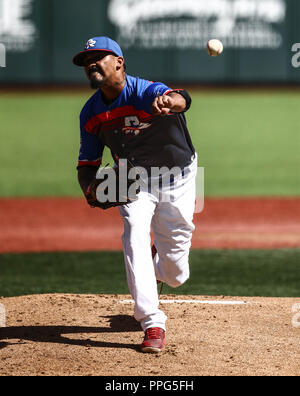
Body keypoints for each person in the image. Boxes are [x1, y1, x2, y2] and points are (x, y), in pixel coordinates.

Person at [73, 36, 197, 353]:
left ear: (119, 62)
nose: (91, 64)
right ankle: (152, 322)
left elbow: (179, 97)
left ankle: (159, 267)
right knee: (134, 233)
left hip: (177, 176)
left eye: (99, 57)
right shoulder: (91, 115)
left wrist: (172, 103)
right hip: (133, 179)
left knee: (177, 273)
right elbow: (87, 164)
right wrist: (89, 188)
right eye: (87, 61)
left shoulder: (144, 91)